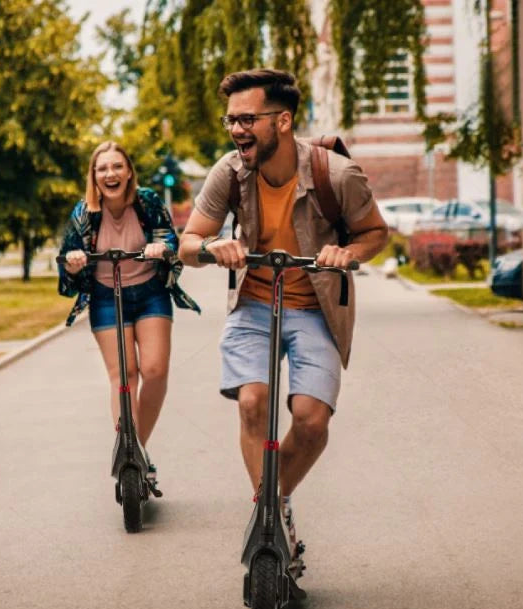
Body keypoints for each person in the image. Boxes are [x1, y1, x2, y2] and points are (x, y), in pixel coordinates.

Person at [178, 69, 388, 557]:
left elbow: (375, 232)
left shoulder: (336, 174)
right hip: (253, 304)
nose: (236, 130)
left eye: (247, 119)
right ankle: (271, 524)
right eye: (231, 120)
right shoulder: (228, 172)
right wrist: (213, 246)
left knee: (312, 421)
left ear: (284, 120)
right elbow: (188, 244)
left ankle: (270, 505)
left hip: (315, 308)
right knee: (253, 402)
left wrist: (348, 254)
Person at [58, 140, 200, 476]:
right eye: (103, 168)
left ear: (129, 172)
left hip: (150, 293)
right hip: (107, 297)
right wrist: (74, 262)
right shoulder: (84, 213)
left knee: (154, 371)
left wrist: (159, 247)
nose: (111, 173)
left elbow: (171, 240)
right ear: (94, 176)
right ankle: (130, 454)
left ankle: (138, 448)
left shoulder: (146, 201)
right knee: (123, 376)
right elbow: (67, 258)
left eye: (117, 166)